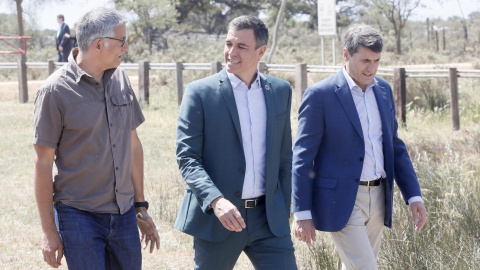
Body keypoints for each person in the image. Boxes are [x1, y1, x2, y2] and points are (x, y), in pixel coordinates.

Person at [292, 24, 427, 270]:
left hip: (379, 198)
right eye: (365, 60)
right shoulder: (320, 95)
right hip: (341, 199)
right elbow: (302, 158)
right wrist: (301, 212)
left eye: (376, 60)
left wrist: (413, 195)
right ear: (346, 54)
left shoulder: (384, 91)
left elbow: (395, 147)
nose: (371, 67)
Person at [33, 8, 160, 270]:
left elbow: (133, 145)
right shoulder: (54, 91)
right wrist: (48, 232)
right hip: (78, 216)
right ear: (99, 44)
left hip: (124, 214)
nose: (126, 47)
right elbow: (43, 164)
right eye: (121, 41)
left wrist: (140, 205)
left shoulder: (122, 79)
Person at [175, 15, 297, 270]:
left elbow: (285, 156)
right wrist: (215, 201)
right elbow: (187, 158)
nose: (231, 52)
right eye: (229, 44)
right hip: (219, 219)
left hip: (269, 221)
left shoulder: (281, 90)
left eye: (241, 46)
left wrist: (283, 209)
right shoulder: (199, 93)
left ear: (261, 51)